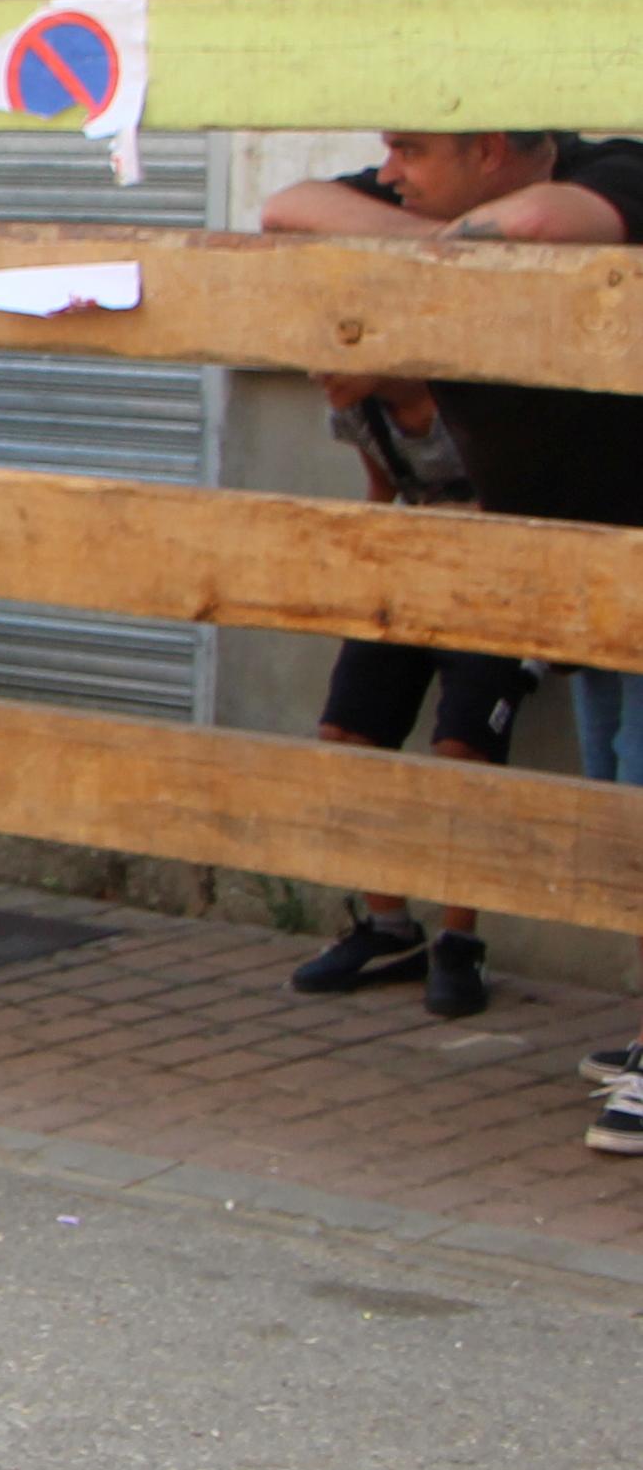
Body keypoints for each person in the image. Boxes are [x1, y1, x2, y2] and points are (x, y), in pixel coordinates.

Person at [253, 132, 643, 1130]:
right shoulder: (414, 198)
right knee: (618, 806)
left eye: (409, 149)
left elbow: (534, 223)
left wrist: (426, 251)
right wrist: (436, 234)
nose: (384, 171)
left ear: (490, 149)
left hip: (611, 561)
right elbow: (286, 204)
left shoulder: (614, 170)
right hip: (579, 572)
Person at [277, 374, 534, 1017]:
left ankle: (458, 941)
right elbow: (384, 489)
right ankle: (388, 925)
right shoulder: (358, 409)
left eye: (334, 358)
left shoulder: (467, 397)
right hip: (409, 568)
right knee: (345, 738)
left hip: (494, 576)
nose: (319, 374)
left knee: (462, 755)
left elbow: (530, 490)